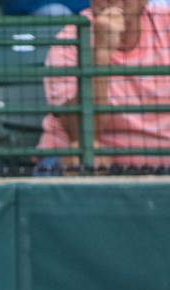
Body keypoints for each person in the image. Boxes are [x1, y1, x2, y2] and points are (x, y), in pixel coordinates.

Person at [37, 0, 170, 168]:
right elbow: (79, 132)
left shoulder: (166, 22)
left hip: (163, 164)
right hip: (92, 162)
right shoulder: (71, 37)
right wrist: (101, 54)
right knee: (84, 155)